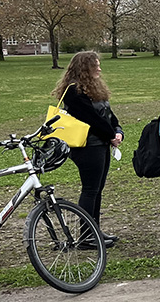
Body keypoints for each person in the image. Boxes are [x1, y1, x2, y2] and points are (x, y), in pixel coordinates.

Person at [52, 51, 123, 247]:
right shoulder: (73, 91)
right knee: (90, 189)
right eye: (95, 65)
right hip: (88, 146)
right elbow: (91, 119)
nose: (99, 68)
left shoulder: (93, 88)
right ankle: (86, 236)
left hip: (101, 144)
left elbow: (107, 113)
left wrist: (117, 130)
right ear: (85, 68)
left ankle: (94, 230)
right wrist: (110, 134)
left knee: (97, 189)